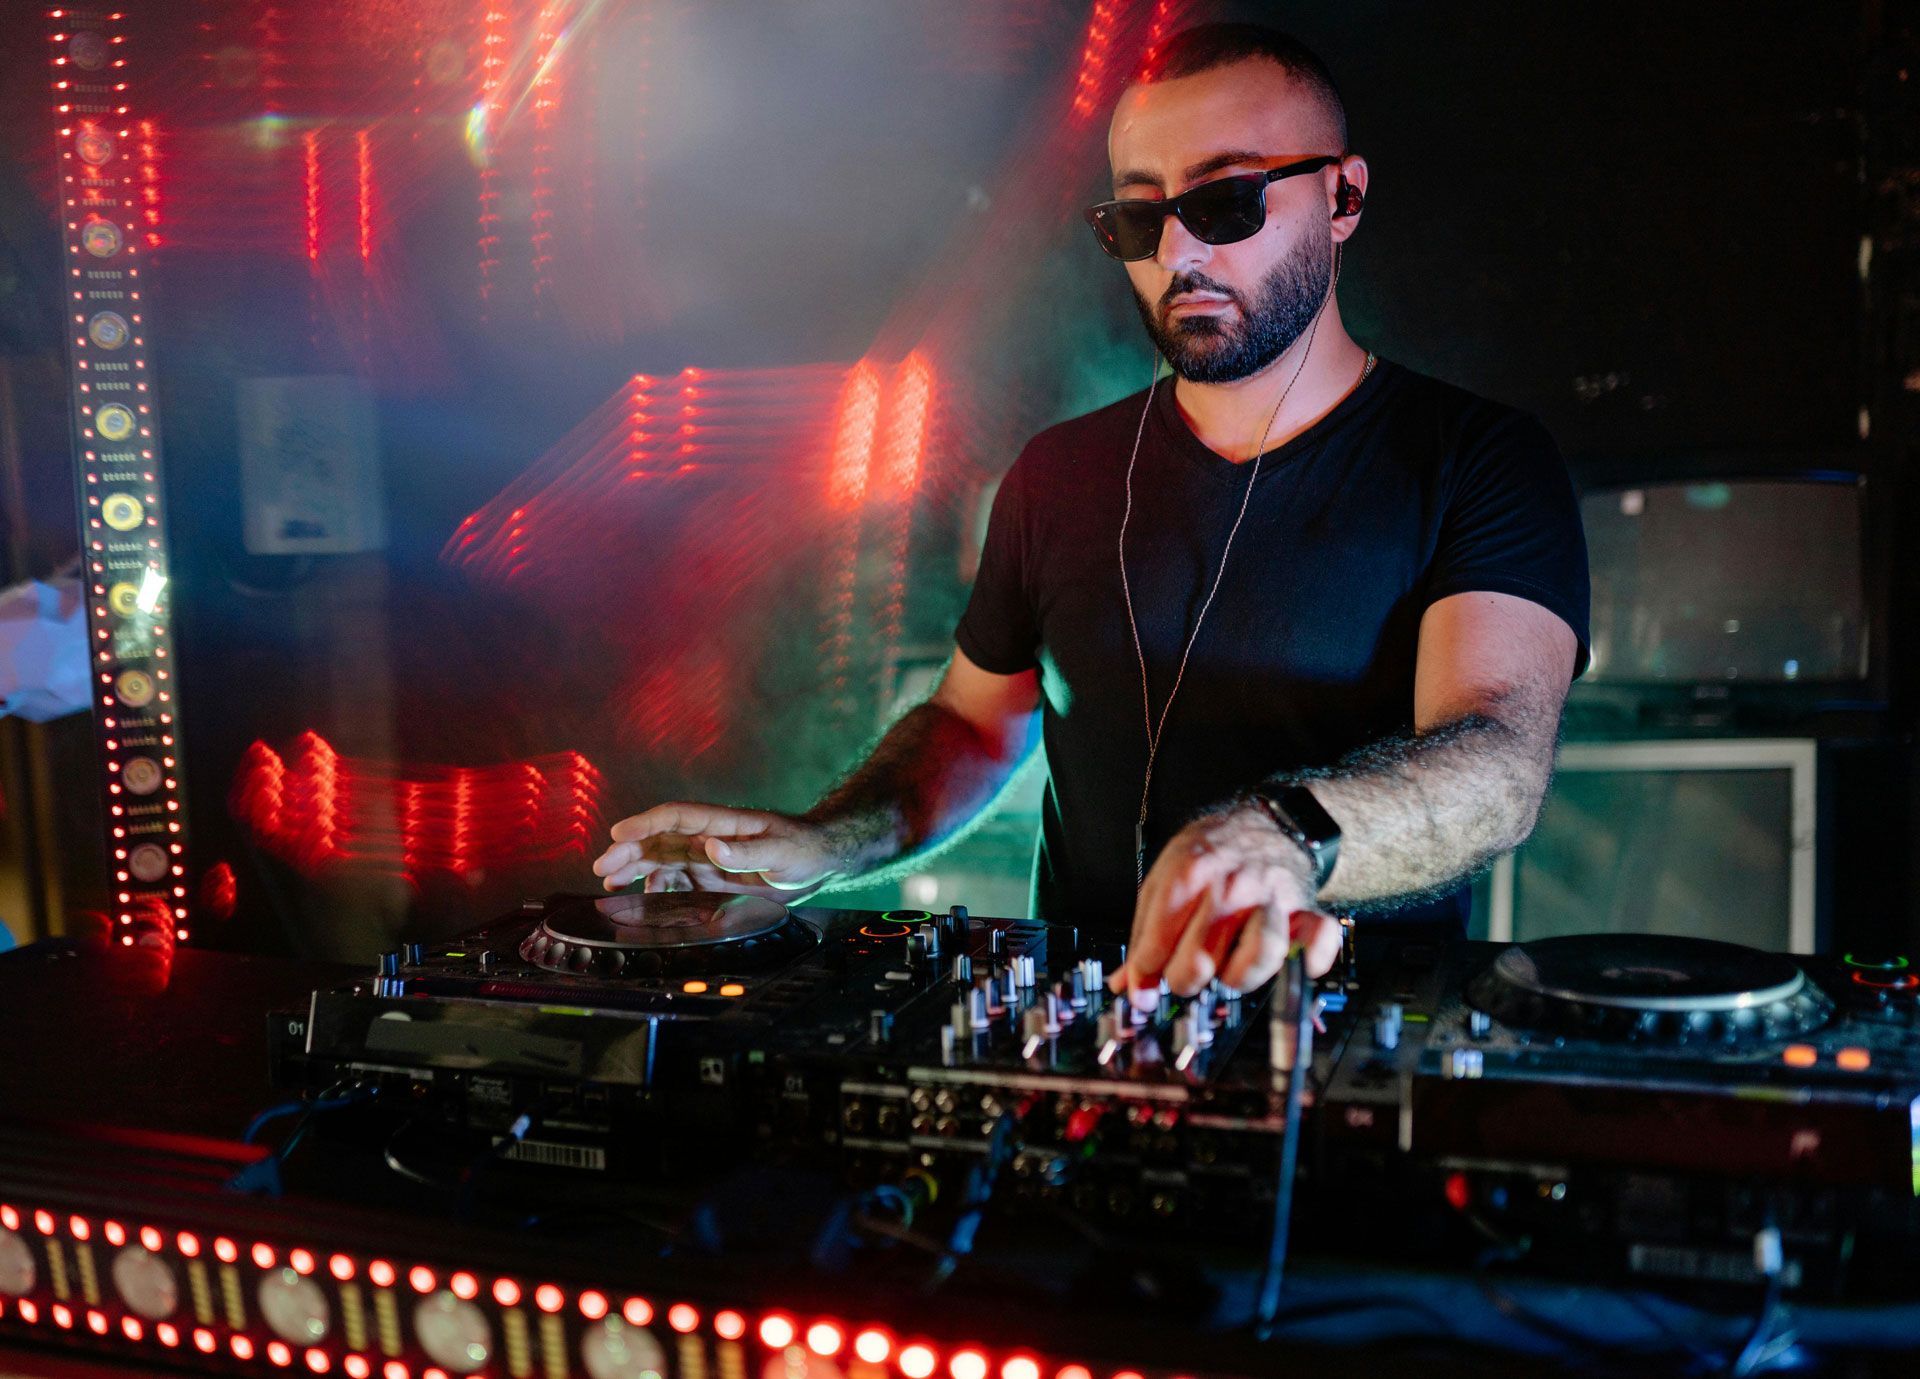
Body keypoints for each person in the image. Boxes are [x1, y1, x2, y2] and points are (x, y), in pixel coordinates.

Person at [593, 22, 1588, 1005]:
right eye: (1139, 219)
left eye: (1228, 201)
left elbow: (1495, 759)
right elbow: (973, 728)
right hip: (1078, 1029)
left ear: (1344, 196)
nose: (1179, 254)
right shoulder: (1057, 473)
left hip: (1343, 1045)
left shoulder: (1478, 460)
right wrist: (824, 840)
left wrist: (1282, 834)